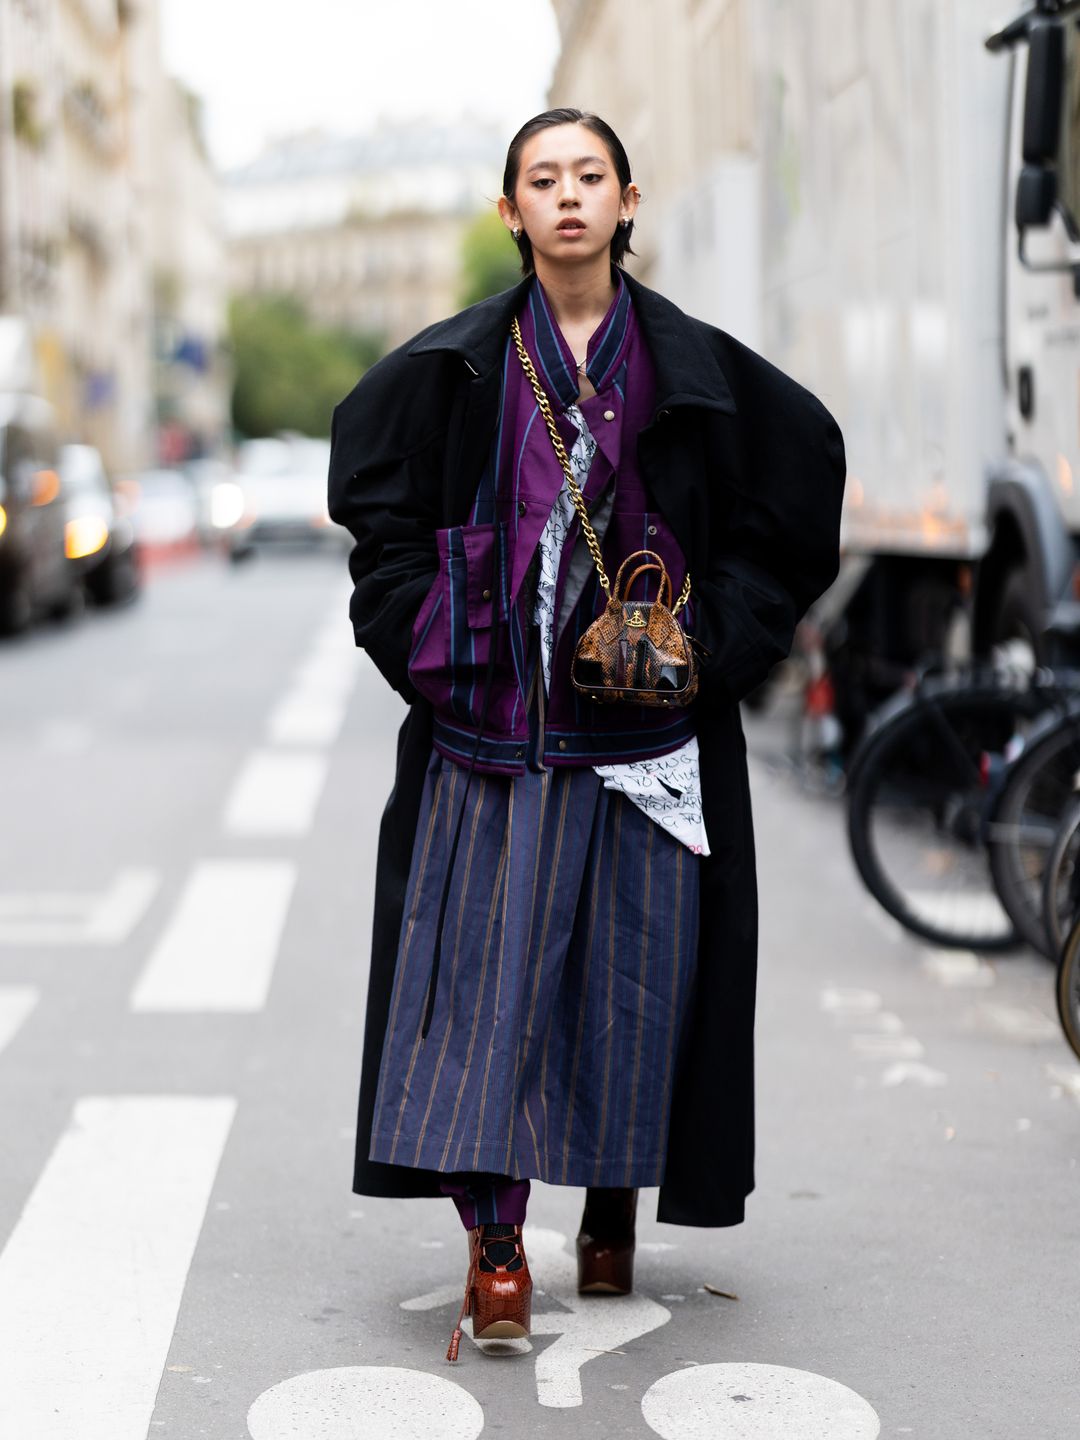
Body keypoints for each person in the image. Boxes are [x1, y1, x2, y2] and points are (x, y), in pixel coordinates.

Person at [327, 107, 846, 1364]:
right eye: (541, 180)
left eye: (589, 177)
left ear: (627, 203)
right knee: (480, 1002)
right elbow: (379, 527)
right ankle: (497, 1248)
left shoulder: (698, 368)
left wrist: (715, 642)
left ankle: (610, 1206)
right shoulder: (454, 367)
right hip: (487, 741)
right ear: (511, 213)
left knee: (632, 992)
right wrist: (419, 644)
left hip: (644, 751)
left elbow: (798, 499)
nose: (567, 198)